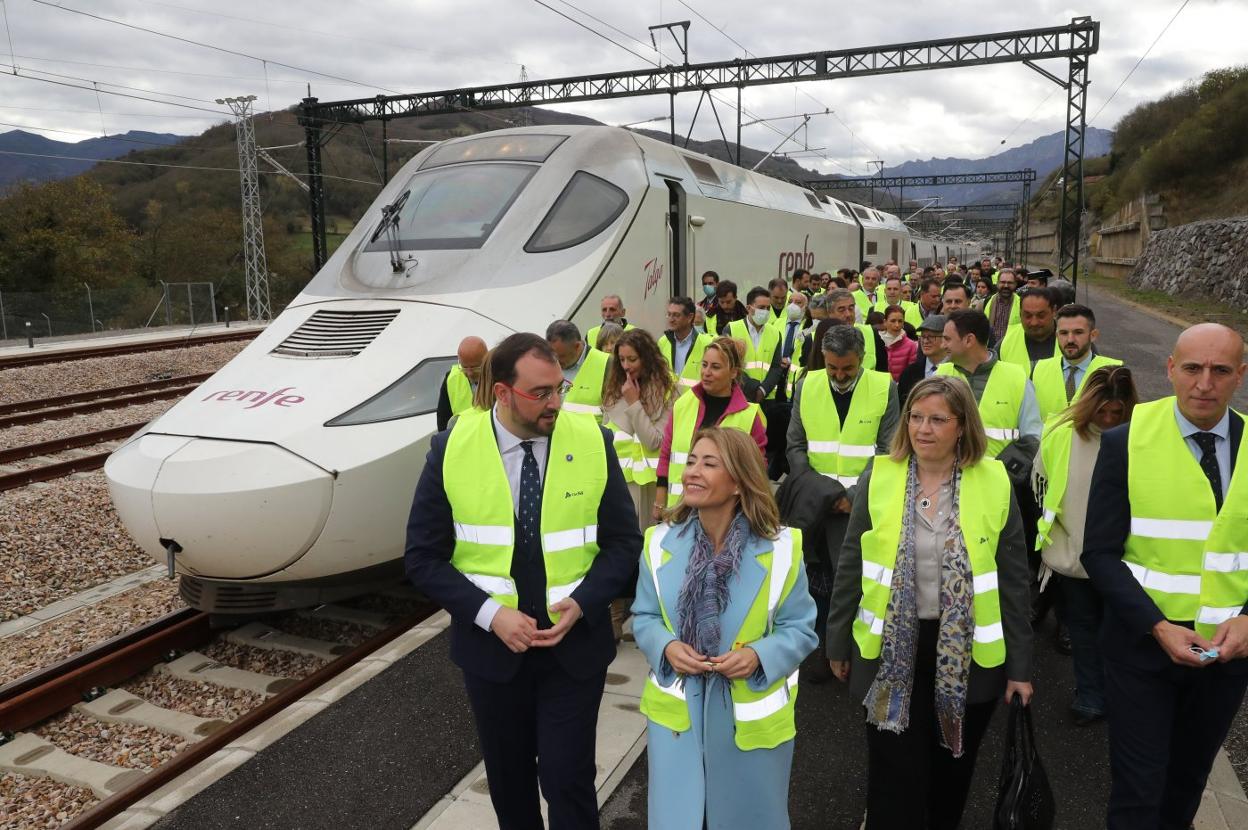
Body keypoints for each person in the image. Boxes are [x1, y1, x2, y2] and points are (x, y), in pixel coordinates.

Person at [404, 333, 642, 830]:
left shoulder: (592, 441)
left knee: (566, 776)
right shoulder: (451, 448)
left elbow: (623, 543)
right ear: (503, 393)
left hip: (573, 650)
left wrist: (583, 602)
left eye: (560, 388)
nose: (556, 402)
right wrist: (493, 616)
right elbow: (423, 558)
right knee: (510, 784)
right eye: (541, 393)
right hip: (492, 654)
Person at [827, 375, 1034, 830]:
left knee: (950, 772)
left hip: (966, 655)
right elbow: (851, 565)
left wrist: (1020, 667)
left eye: (938, 419)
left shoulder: (994, 481)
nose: (923, 428)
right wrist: (837, 642)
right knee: (893, 772)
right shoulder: (880, 474)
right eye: (916, 417)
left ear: (962, 426)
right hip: (888, 649)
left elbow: (1014, 581)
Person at [1082, 323, 1248, 830]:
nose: (1205, 383)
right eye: (1193, 368)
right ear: (1170, 369)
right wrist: (1158, 627)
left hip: (1225, 654)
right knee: (1138, 790)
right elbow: (1100, 553)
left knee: (1186, 783)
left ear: (1240, 376)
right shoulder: (1124, 442)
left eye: (1220, 370)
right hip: (1142, 649)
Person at [633, 427, 817, 830]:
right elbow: (644, 616)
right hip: (677, 725)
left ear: (739, 481)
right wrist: (665, 647)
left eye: (709, 464)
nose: (692, 472)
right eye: (692, 461)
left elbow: (800, 629)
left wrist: (758, 656)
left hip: (748, 730)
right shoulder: (657, 543)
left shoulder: (784, 548)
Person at [787, 325, 900, 669]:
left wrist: (854, 496)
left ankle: (849, 648)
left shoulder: (884, 387)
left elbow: (888, 448)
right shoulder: (807, 385)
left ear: (861, 359)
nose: (839, 376)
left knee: (850, 580)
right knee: (811, 576)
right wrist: (822, 493)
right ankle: (819, 645)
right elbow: (795, 445)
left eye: (847, 369)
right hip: (815, 503)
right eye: (833, 368)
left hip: (859, 506)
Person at [1033, 365, 1139, 726]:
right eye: (1101, 412)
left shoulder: (1141, 439)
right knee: (1082, 627)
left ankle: (1118, 692)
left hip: (1125, 559)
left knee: (1119, 629)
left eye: (1116, 413)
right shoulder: (1061, 436)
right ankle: (1091, 694)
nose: (1108, 420)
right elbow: (1042, 485)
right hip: (1074, 554)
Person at [655, 337, 766, 514]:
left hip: (724, 516)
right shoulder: (683, 404)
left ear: (734, 372)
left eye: (715, 367)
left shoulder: (750, 416)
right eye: (704, 364)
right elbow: (666, 455)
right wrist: (660, 503)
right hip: (678, 510)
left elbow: (756, 473)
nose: (706, 372)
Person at [603, 329, 677, 531]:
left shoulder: (669, 389)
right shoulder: (614, 388)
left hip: (652, 485)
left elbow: (654, 441)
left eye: (632, 359)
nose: (626, 366)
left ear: (647, 358)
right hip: (618, 482)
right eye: (621, 359)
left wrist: (634, 403)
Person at [729, 287, 789, 479]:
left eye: (768, 308)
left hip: (766, 399)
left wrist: (763, 389)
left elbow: (775, 367)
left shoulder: (774, 333)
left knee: (762, 447)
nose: (765, 311)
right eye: (761, 307)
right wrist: (752, 387)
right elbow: (730, 363)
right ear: (749, 308)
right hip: (740, 397)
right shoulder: (732, 329)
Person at [1031, 303, 1123, 422]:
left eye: (1078, 332)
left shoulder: (1115, 371)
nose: (1070, 340)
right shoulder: (1039, 369)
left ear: (1093, 335)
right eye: (1064, 333)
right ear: (1057, 336)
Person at [547, 320, 610, 421]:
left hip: (592, 435)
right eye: (553, 355)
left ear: (577, 346)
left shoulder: (607, 364)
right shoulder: (547, 363)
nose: (556, 361)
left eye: (561, 356)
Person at [659, 296, 714, 394]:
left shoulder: (707, 344)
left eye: (676, 315)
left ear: (689, 317)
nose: (671, 319)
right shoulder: (663, 342)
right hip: (670, 406)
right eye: (669, 314)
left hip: (696, 404)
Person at [997, 287, 1059, 373]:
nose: (1034, 323)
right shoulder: (1005, 343)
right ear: (1020, 313)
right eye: (1028, 316)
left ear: (1054, 311)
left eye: (1041, 316)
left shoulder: (1072, 340)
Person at [827, 287, 888, 374]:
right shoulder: (815, 338)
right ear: (830, 313)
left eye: (851, 308)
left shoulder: (871, 333)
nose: (848, 314)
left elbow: (882, 372)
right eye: (841, 310)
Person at [436, 335, 487, 432]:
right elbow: (443, 423)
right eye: (464, 367)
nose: (469, 373)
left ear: (486, 360)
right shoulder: (451, 379)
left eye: (475, 367)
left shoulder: (499, 376)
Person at [897, 314, 948, 406]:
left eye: (931, 337)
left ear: (946, 338)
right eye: (923, 336)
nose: (925, 341)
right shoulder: (909, 373)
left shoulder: (957, 371)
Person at [881, 305, 918, 382]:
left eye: (900, 321)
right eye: (893, 321)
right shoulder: (877, 340)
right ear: (885, 322)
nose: (897, 325)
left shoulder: (911, 345)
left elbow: (911, 374)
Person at [984, 269, 1021, 344]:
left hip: (1011, 348)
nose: (1006, 286)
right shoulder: (986, 302)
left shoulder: (1022, 304)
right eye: (1003, 282)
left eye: (1010, 283)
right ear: (997, 283)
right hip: (990, 349)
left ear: (1015, 284)